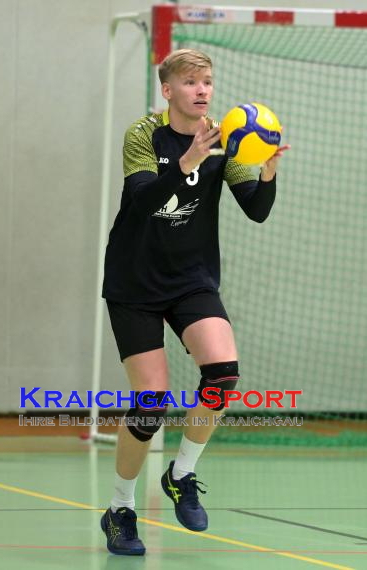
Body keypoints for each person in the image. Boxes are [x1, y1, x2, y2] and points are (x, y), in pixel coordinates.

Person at [100, 48, 290, 556]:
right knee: (151, 404)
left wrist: (266, 172)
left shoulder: (226, 139)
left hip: (190, 278)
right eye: (190, 82)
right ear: (168, 91)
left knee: (223, 373)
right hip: (134, 281)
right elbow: (142, 202)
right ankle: (120, 509)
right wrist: (184, 165)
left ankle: (181, 473)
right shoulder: (143, 135)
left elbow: (256, 211)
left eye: (207, 81)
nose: (202, 90)